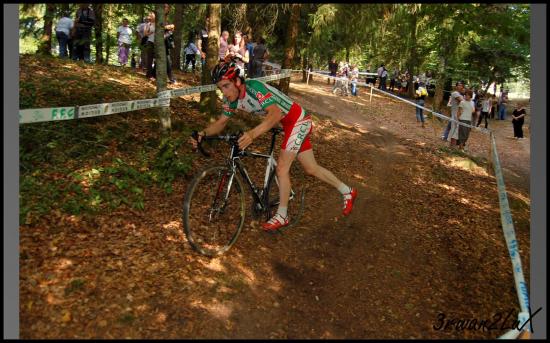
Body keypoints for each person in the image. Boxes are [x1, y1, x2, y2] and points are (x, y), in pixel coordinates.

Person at [190, 61, 358, 231]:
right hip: (286, 124)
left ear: (238, 82)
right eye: (220, 88)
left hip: (298, 120)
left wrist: (252, 134)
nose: (223, 92)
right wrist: (203, 133)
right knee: (311, 168)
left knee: (282, 169)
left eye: (226, 86)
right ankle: (347, 191)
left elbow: (275, 114)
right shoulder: (230, 99)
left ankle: (282, 215)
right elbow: (221, 123)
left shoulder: (254, 88)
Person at [444, 81, 465, 145]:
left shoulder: (460, 94)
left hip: (459, 114)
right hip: (455, 114)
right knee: (453, 128)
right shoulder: (455, 93)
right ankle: (450, 142)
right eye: (458, 85)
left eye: (461, 85)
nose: (460, 86)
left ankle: (452, 142)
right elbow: (463, 101)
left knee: (456, 129)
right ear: (456, 86)